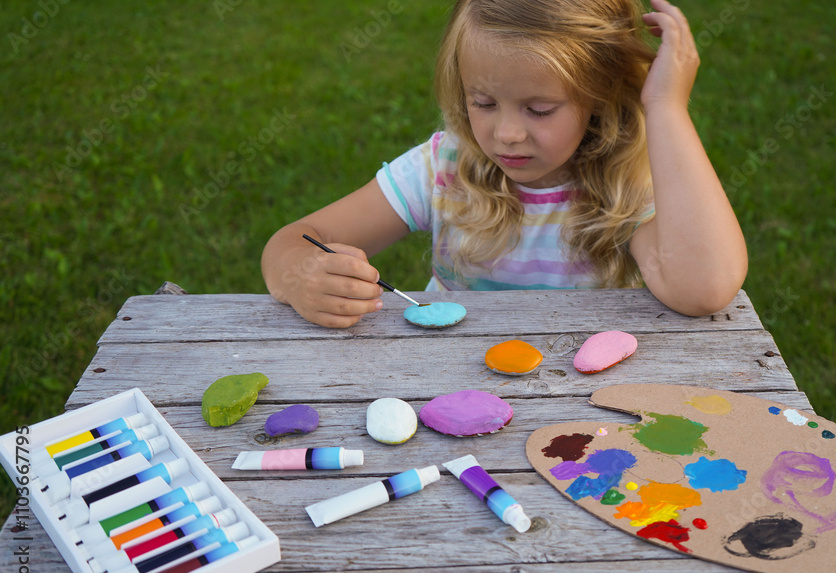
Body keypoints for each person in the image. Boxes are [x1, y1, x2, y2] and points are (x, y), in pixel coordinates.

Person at [262, 0, 747, 328]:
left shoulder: (625, 186)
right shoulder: (444, 167)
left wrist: (665, 106)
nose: (506, 133)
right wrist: (298, 274)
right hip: (447, 382)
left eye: (539, 109)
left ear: (599, 96)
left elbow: (704, 289)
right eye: (484, 102)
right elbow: (297, 237)